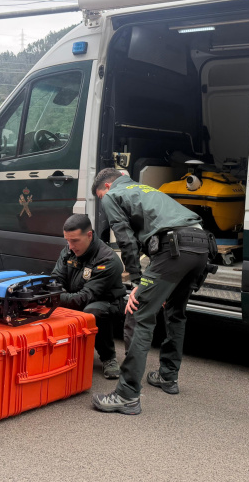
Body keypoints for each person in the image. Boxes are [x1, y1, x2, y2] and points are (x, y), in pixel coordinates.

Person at [90, 168, 212, 415]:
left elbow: (125, 239)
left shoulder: (113, 195)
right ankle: (167, 376)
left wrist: (137, 282)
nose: (102, 201)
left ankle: (127, 395)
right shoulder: (144, 189)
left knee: (138, 315)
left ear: (107, 186)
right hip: (202, 244)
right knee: (176, 312)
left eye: (100, 196)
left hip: (175, 247)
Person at [51, 214, 126, 379]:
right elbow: (55, 279)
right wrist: (53, 293)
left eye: (75, 241)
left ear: (89, 235)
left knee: (92, 312)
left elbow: (84, 298)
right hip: (75, 296)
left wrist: (55, 297)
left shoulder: (107, 260)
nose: (70, 246)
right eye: (67, 240)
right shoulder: (69, 251)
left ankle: (108, 357)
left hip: (105, 302)